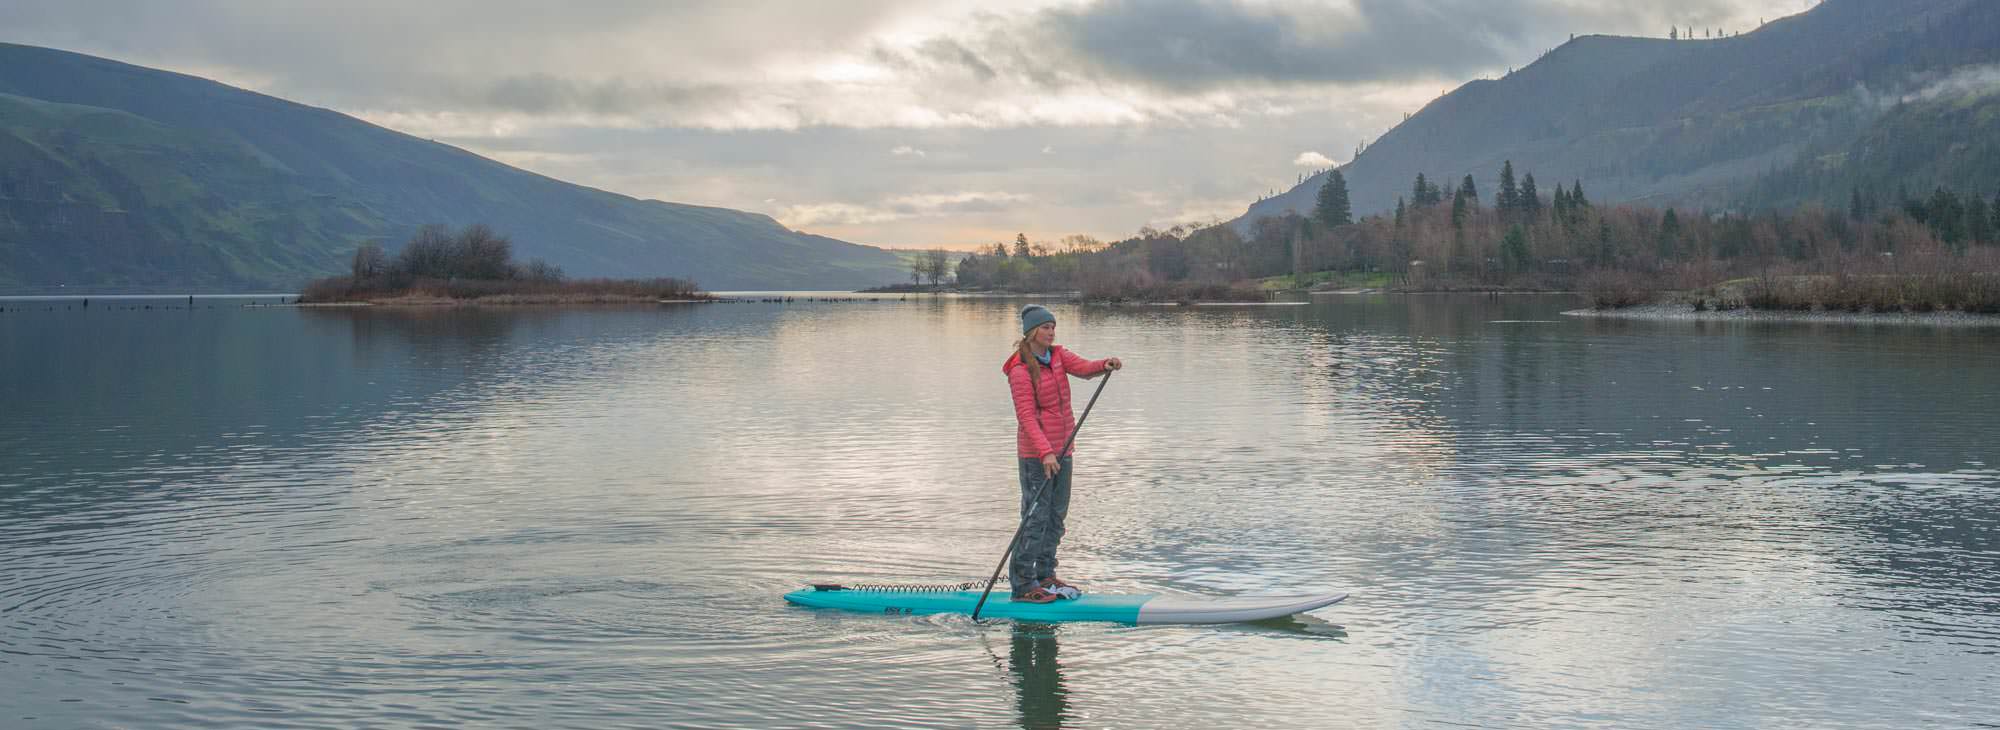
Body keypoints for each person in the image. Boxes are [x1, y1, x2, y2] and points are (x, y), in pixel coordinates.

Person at [1002, 304, 1121, 604]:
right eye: (1045, 327)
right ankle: (1022, 585)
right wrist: (1045, 453)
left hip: (1063, 449)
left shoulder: (1057, 356)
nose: (1051, 331)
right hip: (1036, 456)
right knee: (1035, 517)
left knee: (1056, 516)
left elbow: (1083, 367)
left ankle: (1045, 575)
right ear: (1031, 332)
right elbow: (1027, 417)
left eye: (1053, 326)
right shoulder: (1020, 368)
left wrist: (1104, 364)